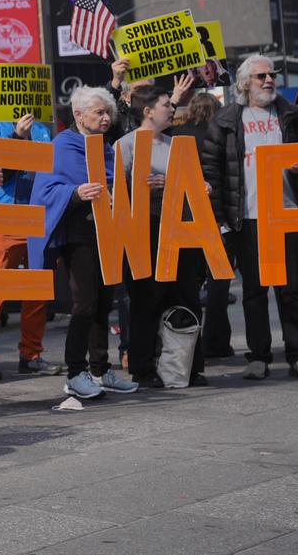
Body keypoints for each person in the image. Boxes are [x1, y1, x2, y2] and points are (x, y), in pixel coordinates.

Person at [200, 55, 298, 382]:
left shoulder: (290, 115)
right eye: (261, 76)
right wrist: (219, 218)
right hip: (248, 219)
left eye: (271, 74)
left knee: (294, 290)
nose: (269, 80)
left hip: (288, 216)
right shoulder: (227, 120)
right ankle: (258, 356)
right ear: (245, 83)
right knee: (254, 291)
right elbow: (211, 171)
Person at [30, 86, 140, 400]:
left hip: (107, 231)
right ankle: (75, 372)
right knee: (85, 304)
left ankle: (100, 368)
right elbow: (46, 192)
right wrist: (76, 194)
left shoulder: (105, 146)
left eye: (108, 113)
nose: (106, 118)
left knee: (105, 303)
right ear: (79, 115)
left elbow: (116, 183)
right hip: (76, 233)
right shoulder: (62, 146)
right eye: (99, 113)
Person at [116, 85, 207, 388]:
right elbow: (116, 192)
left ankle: (188, 366)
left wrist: (197, 186)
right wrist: (141, 189)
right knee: (146, 299)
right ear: (148, 111)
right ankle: (143, 368)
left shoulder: (175, 144)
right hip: (145, 230)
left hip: (178, 228)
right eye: (166, 105)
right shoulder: (125, 146)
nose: (172, 109)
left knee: (186, 296)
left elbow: (195, 183)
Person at [0, 112, 64, 379]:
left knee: (37, 290)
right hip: (4, 217)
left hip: (38, 216)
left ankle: (31, 355)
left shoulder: (45, 130)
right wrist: (17, 138)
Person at [171, 93, 233, 358]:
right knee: (219, 279)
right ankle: (217, 341)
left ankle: (188, 343)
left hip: (183, 216)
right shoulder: (222, 135)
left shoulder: (176, 134)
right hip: (216, 216)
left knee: (188, 283)